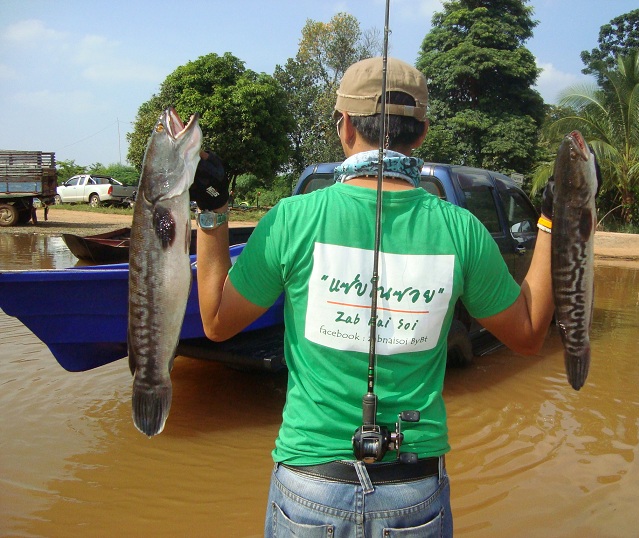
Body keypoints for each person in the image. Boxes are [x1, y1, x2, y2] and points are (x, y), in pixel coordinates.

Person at [191, 56, 555, 537]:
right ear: (421, 134)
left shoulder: (291, 219)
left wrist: (213, 210)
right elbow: (529, 334)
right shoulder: (461, 230)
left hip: (310, 489)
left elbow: (216, 321)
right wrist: (552, 223)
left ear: (344, 128)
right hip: (413, 490)